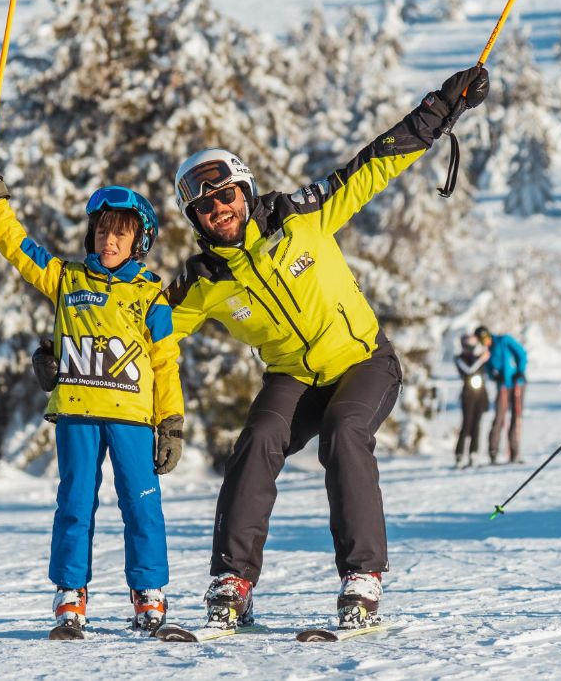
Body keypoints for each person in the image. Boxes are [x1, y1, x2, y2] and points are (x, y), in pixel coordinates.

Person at [165, 66, 489, 631]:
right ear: (195, 219)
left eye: (225, 196)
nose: (219, 210)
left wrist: (444, 106)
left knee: (344, 433)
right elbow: (142, 332)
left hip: (364, 361)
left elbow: (374, 164)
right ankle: (232, 580)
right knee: (258, 439)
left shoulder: (300, 217)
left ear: (243, 190)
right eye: (205, 207)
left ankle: (362, 576)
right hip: (293, 376)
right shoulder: (204, 281)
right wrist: (69, 349)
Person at [0, 152, 184, 635]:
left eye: (121, 234)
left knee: (141, 504)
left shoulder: (151, 295)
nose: (110, 241)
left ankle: (149, 593)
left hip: (131, 418)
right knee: (75, 503)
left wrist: (171, 421)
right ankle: (70, 592)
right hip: (77, 415)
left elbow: (165, 363)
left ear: (139, 241)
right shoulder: (67, 278)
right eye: (103, 231)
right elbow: (19, 248)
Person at [475, 325, 528, 464]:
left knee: (516, 417)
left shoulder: (504, 340)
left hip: (517, 384)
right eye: (481, 340)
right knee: (499, 418)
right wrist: (495, 377)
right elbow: (489, 370)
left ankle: (514, 454)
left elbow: (521, 353)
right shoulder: (487, 353)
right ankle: (493, 453)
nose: (484, 341)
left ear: (488, 335)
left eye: (485, 338)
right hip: (503, 387)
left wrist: (520, 371)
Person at [453, 333, 490, 469]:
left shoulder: (478, 357)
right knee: (466, 424)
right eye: (468, 345)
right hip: (468, 395)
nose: (470, 348)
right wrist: (482, 359)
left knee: (477, 425)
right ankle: (459, 453)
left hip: (480, 394)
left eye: (473, 345)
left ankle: (474, 454)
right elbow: (469, 370)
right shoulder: (459, 358)